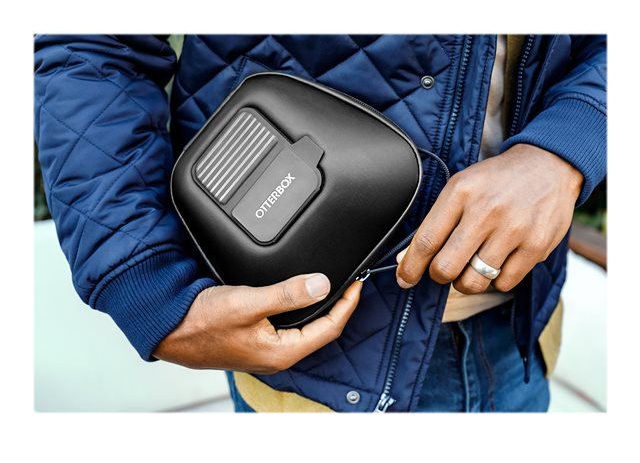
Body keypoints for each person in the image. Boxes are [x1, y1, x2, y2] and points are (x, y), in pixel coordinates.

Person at [34, 34, 606, 412]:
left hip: (519, 331)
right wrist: (145, 281)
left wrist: (568, 146)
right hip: (313, 373)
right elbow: (89, 41)